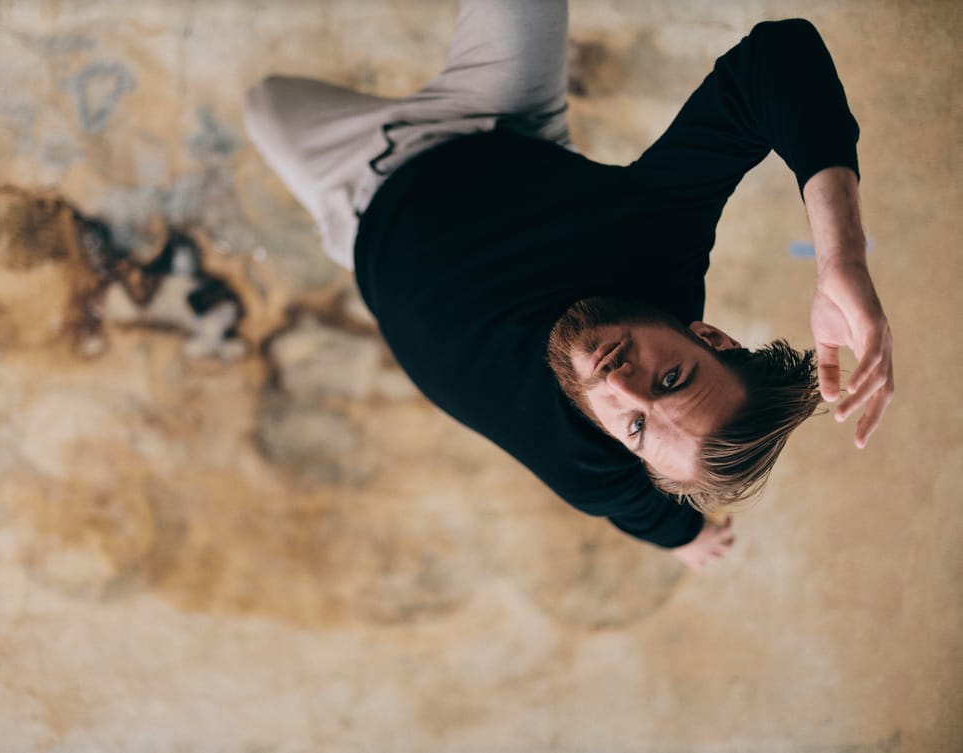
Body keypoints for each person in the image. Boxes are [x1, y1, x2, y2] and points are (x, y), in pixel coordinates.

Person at [244, 1, 893, 570]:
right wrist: (840, 254)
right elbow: (773, 61)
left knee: (263, 101)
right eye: (672, 378)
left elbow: (642, 507)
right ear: (707, 335)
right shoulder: (659, 237)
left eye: (635, 426)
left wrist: (687, 537)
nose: (617, 382)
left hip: (360, 200)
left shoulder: (592, 470)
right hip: (495, 126)